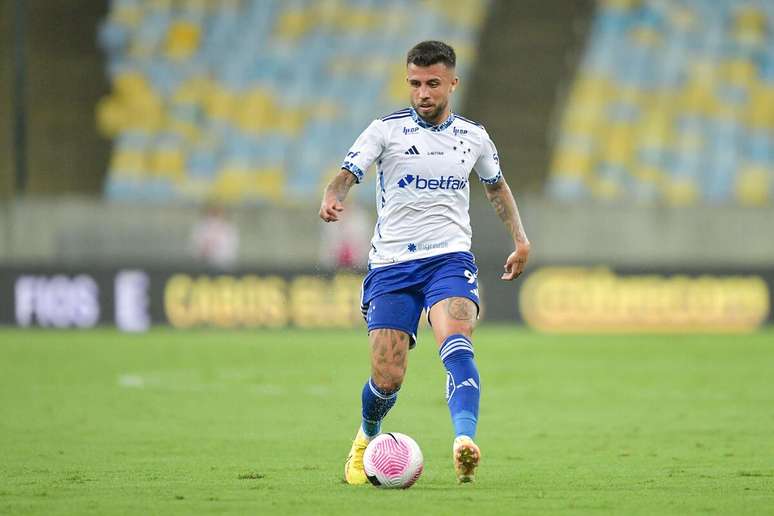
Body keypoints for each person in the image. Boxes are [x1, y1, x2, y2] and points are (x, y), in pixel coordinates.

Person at [318, 41, 530, 484]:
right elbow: (348, 173)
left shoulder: (474, 137)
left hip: (449, 259)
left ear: (452, 82)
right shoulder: (384, 131)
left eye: (433, 83)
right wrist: (334, 193)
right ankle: (367, 436)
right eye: (415, 84)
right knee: (388, 375)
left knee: (456, 338)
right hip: (392, 265)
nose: (423, 93)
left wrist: (520, 239)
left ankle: (463, 440)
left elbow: (496, 188)